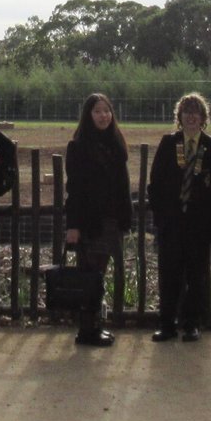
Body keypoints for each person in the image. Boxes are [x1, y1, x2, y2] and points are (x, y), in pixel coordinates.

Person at [147, 93, 211, 342]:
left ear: (204, 118)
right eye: (187, 112)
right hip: (171, 224)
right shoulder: (169, 143)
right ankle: (167, 324)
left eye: (196, 113)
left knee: (196, 276)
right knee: (169, 274)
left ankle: (192, 324)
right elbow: (156, 182)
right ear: (180, 117)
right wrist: (162, 218)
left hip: (199, 225)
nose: (191, 117)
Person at [63, 92, 133, 347]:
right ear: (88, 115)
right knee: (90, 275)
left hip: (112, 221)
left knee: (99, 275)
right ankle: (87, 329)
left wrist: (125, 217)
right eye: (97, 111)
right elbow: (75, 190)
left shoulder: (116, 143)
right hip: (91, 223)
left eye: (106, 111)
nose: (103, 116)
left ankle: (95, 326)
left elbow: (122, 185)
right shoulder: (78, 147)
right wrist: (73, 226)